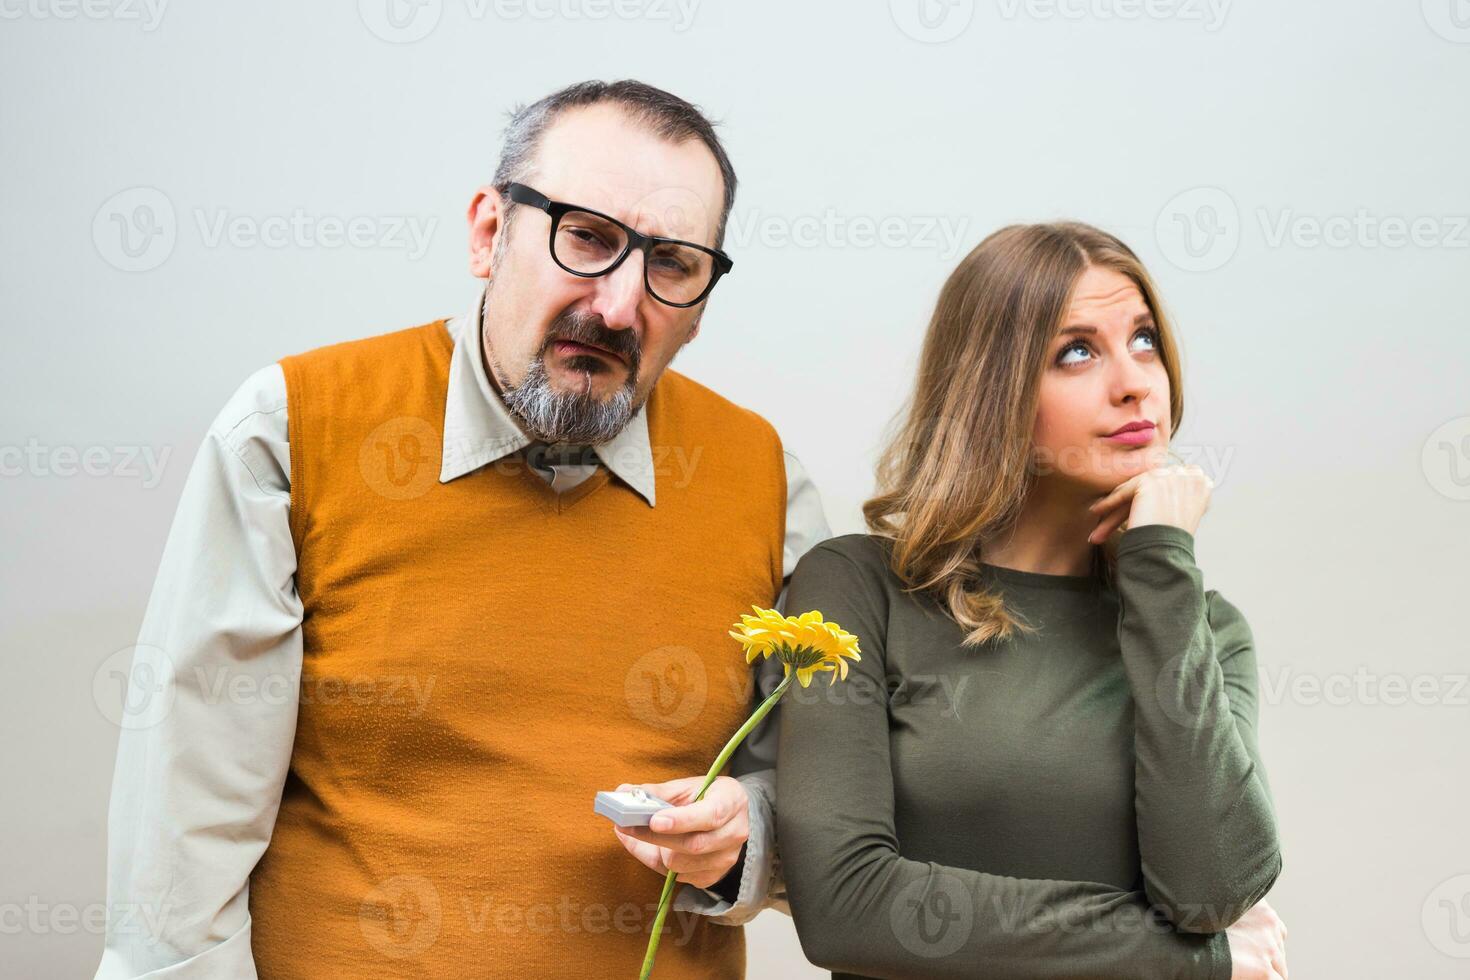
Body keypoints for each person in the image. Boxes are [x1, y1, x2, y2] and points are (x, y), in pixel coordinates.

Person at [94, 79, 828, 979]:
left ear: (703, 299)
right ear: (489, 232)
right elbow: (183, 830)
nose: (618, 305)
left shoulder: (764, 479)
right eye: (587, 237)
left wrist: (748, 832)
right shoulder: (290, 429)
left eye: (671, 264)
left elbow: (830, 803)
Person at [776, 223, 1289, 979]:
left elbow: (1213, 889)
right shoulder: (856, 588)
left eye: (1144, 340)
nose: (1134, 382)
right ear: (992, 389)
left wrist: (1159, 568)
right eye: (1076, 351)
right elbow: (846, 905)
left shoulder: (1205, 627)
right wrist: (1184, 962)